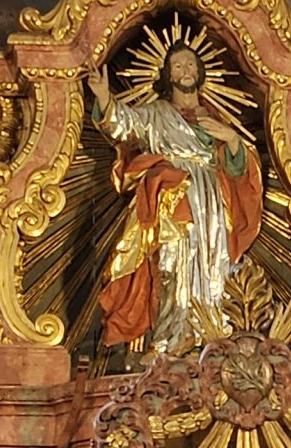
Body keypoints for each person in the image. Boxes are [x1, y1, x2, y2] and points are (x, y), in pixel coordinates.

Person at [90, 42, 262, 352]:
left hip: (211, 201)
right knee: (171, 264)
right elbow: (124, 125)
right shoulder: (156, 114)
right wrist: (104, 97)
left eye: (191, 64)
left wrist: (232, 139)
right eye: (178, 66)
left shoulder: (214, 118)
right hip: (172, 200)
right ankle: (169, 340)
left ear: (200, 71)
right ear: (168, 75)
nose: (186, 71)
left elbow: (236, 169)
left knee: (213, 264)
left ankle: (211, 336)